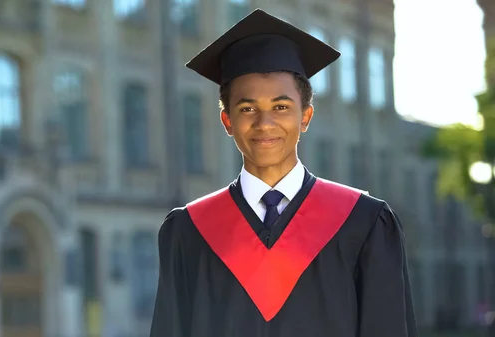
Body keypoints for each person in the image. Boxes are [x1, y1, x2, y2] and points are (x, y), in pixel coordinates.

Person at [149, 9, 417, 337]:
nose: (265, 123)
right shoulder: (188, 231)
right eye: (248, 109)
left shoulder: (364, 224)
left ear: (305, 117)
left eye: (281, 107)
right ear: (227, 121)